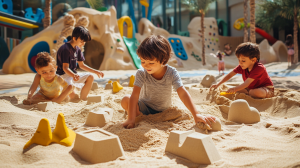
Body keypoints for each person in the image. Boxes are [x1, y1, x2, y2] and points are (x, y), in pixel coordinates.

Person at [121, 35, 216, 129]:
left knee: (130, 102)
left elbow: (182, 93)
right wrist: (131, 119)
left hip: (164, 111)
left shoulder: (172, 73)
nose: (146, 66)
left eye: (151, 63)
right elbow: (135, 95)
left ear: (163, 60)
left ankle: (137, 115)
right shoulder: (141, 73)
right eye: (143, 61)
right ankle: (137, 116)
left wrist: (196, 115)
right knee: (126, 99)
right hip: (144, 107)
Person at [210, 42, 274, 98]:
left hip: (265, 89)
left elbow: (247, 83)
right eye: (239, 60)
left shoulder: (259, 68)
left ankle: (248, 92)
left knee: (256, 92)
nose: (240, 63)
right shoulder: (242, 66)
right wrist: (218, 84)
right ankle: (248, 91)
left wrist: (235, 89)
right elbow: (230, 75)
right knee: (235, 89)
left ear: (253, 60)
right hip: (251, 88)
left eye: (243, 60)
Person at [56, 26, 104, 100]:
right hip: (63, 76)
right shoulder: (65, 49)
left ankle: (83, 99)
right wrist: (73, 75)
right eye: (82, 41)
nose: (83, 44)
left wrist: (95, 71)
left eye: (84, 42)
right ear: (74, 38)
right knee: (72, 96)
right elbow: (65, 68)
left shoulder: (77, 49)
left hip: (73, 75)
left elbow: (81, 65)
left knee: (90, 77)